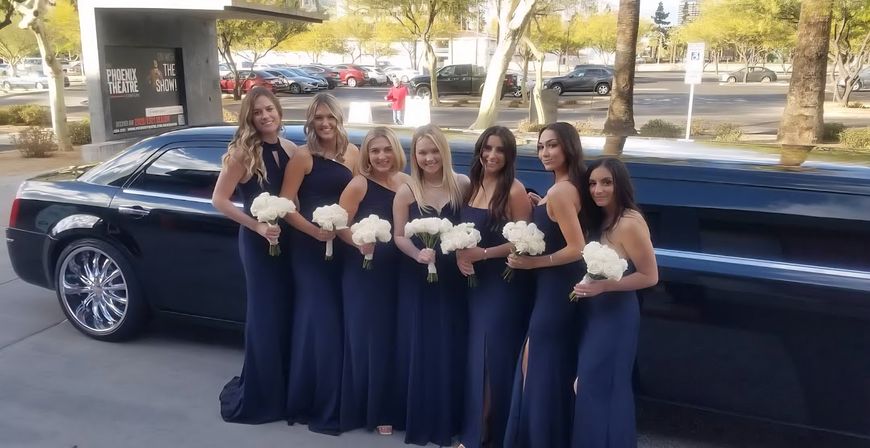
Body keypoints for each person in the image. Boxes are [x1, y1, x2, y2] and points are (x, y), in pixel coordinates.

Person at [213, 86, 297, 424]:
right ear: (250, 118)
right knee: (265, 315)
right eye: (258, 112)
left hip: (288, 241)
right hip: (258, 243)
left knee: (288, 312)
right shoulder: (244, 154)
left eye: (269, 109)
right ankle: (263, 394)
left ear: (278, 110)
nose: (265, 116)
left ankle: (288, 386)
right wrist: (257, 227)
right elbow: (219, 199)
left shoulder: (291, 148)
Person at [281, 92, 359, 435]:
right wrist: (314, 232)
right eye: (318, 118)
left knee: (340, 320)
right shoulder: (302, 157)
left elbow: (364, 192)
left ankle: (341, 396)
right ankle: (314, 401)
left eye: (330, 117)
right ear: (310, 122)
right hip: (309, 248)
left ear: (339, 119)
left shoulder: (354, 153)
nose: (325, 124)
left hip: (342, 245)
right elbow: (286, 206)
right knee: (320, 320)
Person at [504, 122, 587, 448]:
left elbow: (577, 247)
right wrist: (542, 207)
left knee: (537, 369)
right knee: (544, 367)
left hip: (555, 291)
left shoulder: (561, 191)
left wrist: (532, 262)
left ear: (568, 146)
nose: (545, 152)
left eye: (552, 145)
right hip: (556, 289)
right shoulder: (568, 188)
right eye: (540, 147)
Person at [570, 158, 658, 448]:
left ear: (620, 184)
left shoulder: (629, 222)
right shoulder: (600, 219)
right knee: (587, 388)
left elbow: (649, 276)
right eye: (593, 183)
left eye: (606, 182)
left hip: (616, 317)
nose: (598, 189)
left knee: (601, 389)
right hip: (594, 314)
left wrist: (605, 286)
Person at [393, 124, 470, 446]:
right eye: (422, 152)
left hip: (454, 278)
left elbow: (482, 212)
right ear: (414, 155)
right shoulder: (407, 191)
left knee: (452, 344)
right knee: (422, 345)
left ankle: (452, 417)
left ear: (444, 151)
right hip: (418, 278)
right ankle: (422, 417)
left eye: (434, 151)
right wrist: (416, 253)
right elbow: (399, 235)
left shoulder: (463, 184)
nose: (429, 158)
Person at [457, 126, 533, 448]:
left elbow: (526, 242)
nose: (492, 155)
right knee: (474, 357)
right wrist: (461, 253)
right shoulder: (471, 186)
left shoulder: (514, 190)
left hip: (503, 286)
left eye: (500, 150)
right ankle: (475, 429)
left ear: (509, 155)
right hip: (472, 285)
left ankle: (482, 436)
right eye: (487, 148)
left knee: (490, 359)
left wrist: (483, 253)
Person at [336, 127, 410, 435]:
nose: (381, 156)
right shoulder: (359, 184)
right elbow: (340, 224)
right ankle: (373, 411)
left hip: (400, 273)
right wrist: (358, 242)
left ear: (396, 151)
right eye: (374, 151)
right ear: (366, 155)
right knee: (371, 342)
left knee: (395, 341)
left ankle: (396, 405)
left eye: (386, 150)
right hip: (365, 274)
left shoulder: (407, 182)